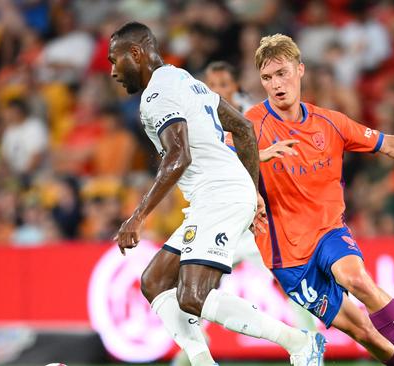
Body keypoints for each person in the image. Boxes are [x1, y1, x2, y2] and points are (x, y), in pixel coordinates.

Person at [244, 34, 394, 366]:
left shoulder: (330, 123)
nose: (276, 84)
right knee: (363, 331)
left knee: (356, 278)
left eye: (282, 73)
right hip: (285, 254)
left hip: (327, 231)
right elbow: (223, 158)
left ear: (300, 70)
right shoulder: (252, 123)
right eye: (267, 77)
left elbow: (388, 143)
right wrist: (252, 187)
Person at [109, 22, 325, 366]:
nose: (113, 71)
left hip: (218, 195)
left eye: (114, 60)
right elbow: (242, 128)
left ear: (135, 53)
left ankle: (299, 342)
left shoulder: (157, 94)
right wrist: (252, 190)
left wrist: (138, 216)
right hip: (221, 194)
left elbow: (179, 155)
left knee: (192, 296)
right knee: (154, 281)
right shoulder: (183, 80)